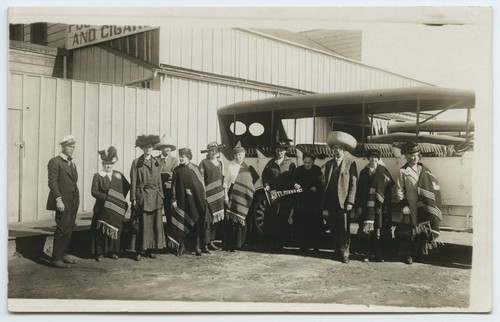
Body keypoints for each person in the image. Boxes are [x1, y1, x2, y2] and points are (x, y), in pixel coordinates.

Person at [395, 142, 443, 264]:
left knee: (422, 230)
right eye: (411, 155)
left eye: (416, 155)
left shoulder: (424, 170)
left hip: (423, 204)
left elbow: (433, 186)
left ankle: (420, 253)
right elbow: (399, 190)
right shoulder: (402, 171)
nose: (415, 157)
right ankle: (408, 255)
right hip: (410, 206)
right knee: (409, 230)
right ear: (406, 156)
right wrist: (404, 205)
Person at [129, 134, 167, 261]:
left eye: (150, 147)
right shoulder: (137, 163)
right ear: (142, 148)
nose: (148, 149)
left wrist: (161, 195)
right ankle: (139, 250)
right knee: (142, 224)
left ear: (153, 148)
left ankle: (151, 249)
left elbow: (160, 182)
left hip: (156, 196)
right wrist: (133, 198)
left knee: (154, 224)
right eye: (145, 147)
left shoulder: (157, 163)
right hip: (143, 196)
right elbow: (133, 181)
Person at [90, 146, 130, 261]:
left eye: (111, 164)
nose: (109, 166)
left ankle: (113, 251)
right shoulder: (98, 175)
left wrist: (118, 199)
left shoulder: (118, 175)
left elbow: (126, 187)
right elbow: (94, 191)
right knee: (101, 231)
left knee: (115, 228)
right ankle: (100, 252)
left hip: (115, 208)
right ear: (103, 163)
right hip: (101, 208)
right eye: (106, 164)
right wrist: (108, 198)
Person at [323, 131, 358, 264]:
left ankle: (345, 253)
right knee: (333, 227)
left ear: (344, 150)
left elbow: (354, 183)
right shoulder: (328, 164)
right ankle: (336, 252)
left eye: (340, 149)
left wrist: (350, 201)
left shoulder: (350, 163)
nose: (337, 151)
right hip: (331, 201)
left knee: (344, 228)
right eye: (335, 149)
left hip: (343, 202)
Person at [46, 135, 80, 268]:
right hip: (62, 200)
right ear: (63, 146)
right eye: (70, 147)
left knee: (69, 227)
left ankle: (63, 254)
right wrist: (58, 199)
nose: (72, 149)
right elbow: (52, 182)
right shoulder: (55, 161)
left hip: (73, 199)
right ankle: (56, 258)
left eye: (73, 147)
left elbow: (73, 180)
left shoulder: (71, 162)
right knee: (62, 227)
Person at [355, 148, 394, 262]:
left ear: (378, 159)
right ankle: (367, 253)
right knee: (367, 232)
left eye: (376, 158)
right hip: (367, 206)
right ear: (368, 159)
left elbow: (389, 186)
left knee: (378, 230)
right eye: (371, 157)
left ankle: (378, 253)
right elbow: (360, 190)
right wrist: (360, 206)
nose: (373, 160)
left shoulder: (383, 171)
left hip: (379, 206)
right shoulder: (363, 172)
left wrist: (384, 204)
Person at [169, 148, 208, 256]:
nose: (181, 158)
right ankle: (182, 246)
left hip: (194, 202)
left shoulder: (194, 168)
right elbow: (173, 186)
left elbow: (200, 185)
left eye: (183, 156)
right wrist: (173, 200)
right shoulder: (176, 170)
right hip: (181, 201)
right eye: (180, 156)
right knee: (181, 223)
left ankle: (197, 246)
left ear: (188, 157)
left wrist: (199, 198)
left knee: (196, 224)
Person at [223, 142, 259, 251]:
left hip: (244, 195)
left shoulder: (248, 167)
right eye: (236, 155)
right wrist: (225, 195)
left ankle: (241, 244)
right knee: (232, 220)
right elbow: (226, 182)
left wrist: (249, 189)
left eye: (240, 155)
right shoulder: (231, 166)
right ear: (234, 156)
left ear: (244, 155)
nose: (238, 157)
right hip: (233, 193)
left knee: (243, 219)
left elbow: (255, 179)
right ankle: (230, 244)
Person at [261, 140, 297, 250]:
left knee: (284, 218)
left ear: (285, 151)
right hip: (273, 195)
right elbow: (265, 177)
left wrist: (295, 184)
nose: (280, 152)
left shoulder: (290, 163)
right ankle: (271, 242)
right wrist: (267, 185)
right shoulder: (271, 163)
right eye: (278, 150)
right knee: (272, 217)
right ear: (275, 151)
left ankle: (282, 244)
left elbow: (294, 178)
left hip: (286, 196)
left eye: (282, 150)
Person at [293, 152, 325, 253]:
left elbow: (322, 184)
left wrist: (316, 187)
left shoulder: (317, 170)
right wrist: (295, 184)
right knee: (302, 223)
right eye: (305, 162)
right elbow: (293, 180)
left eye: (309, 163)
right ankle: (303, 245)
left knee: (315, 223)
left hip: (314, 201)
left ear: (313, 162)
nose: (307, 164)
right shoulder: (299, 170)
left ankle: (316, 245)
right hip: (302, 200)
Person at [198, 142, 225, 253]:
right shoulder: (204, 163)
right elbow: (201, 180)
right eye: (211, 150)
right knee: (207, 220)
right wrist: (203, 194)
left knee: (215, 220)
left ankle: (211, 241)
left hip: (219, 195)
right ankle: (204, 243)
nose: (214, 152)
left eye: (216, 150)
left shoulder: (219, 163)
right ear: (208, 152)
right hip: (208, 195)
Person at [154, 135, 178, 241]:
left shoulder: (174, 160)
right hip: (157, 190)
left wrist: (163, 175)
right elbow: (154, 174)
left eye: (169, 147)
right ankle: (158, 239)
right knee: (157, 214)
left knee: (169, 214)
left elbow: (174, 174)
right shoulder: (155, 160)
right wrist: (165, 175)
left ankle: (170, 239)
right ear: (161, 148)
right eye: (165, 147)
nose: (168, 149)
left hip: (169, 190)